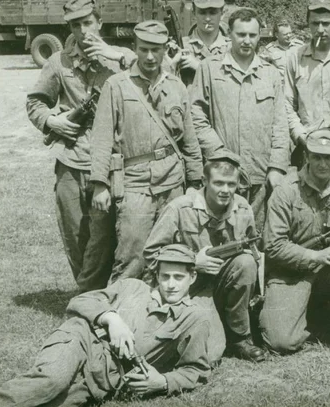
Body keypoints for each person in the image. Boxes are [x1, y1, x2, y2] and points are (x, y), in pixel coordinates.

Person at [0, 244, 210, 406]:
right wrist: (111, 319)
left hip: (104, 380)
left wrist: (162, 381)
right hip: (81, 340)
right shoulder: (133, 287)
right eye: (165, 277)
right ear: (157, 276)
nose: (170, 285)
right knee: (51, 382)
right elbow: (80, 300)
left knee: (49, 403)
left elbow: (195, 370)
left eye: (178, 277)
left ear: (192, 277)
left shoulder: (195, 318)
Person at [26, 0, 135, 292]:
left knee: (108, 234)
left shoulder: (122, 57)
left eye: (88, 22)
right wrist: (52, 122)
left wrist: (118, 57)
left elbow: (152, 74)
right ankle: (88, 292)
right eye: (76, 25)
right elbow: (35, 102)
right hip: (71, 157)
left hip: (110, 159)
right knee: (74, 232)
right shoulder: (58, 62)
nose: (83, 31)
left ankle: (102, 293)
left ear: (99, 22)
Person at [89, 20, 203, 283]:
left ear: (165, 50)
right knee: (132, 255)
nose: (150, 57)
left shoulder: (177, 87)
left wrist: (195, 183)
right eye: (143, 50)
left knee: (170, 255)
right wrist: (99, 184)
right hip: (135, 184)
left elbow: (190, 140)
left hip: (173, 183)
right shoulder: (116, 86)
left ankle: (156, 317)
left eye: (156, 49)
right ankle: (119, 314)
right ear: (134, 49)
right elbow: (102, 137)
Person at [144, 151, 266, 362]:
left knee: (245, 263)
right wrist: (192, 262)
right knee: (209, 354)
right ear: (204, 181)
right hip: (189, 290)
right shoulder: (179, 208)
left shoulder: (243, 209)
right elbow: (151, 255)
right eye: (219, 183)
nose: (226, 190)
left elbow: (253, 250)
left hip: (223, 285)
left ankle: (239, 337)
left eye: (231, 184)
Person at [259, 129, 330, 353]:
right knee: (281, 343)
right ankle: (306, 314)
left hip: (324, 272)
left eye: (328, 158)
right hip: (288, 274)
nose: (322, 164)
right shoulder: (286, 191)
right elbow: (273, 246)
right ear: (306, 157)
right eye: (316, 157)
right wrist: (314, 256)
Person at [191, 7, 290, 231]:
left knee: (259, 240)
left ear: (260, 36)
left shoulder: (270, 73)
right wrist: (219, 153)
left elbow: (280, 124)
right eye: (241, 34)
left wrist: (277, 167)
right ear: (230, 35)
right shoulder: (209, 69)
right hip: (222, 178)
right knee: (221, 238)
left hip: (261, 177)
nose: (247, 41)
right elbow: (196, 115)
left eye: (252, 35)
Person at [284, 0, 330, 168]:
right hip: (308, 144)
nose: (320, 30)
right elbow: (287, 104)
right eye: (315, 23)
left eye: (326, 23)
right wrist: (300, 135)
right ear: (308, 23)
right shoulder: (295, 57)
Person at [172, 0, 231, 89]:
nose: (207, 18)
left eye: (213, 13)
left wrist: (200, 67)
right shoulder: (181, 47)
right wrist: (171, 66)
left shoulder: (232, 49)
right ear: (194, 12)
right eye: (202, 13)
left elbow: (237, 86)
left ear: (222, 14)